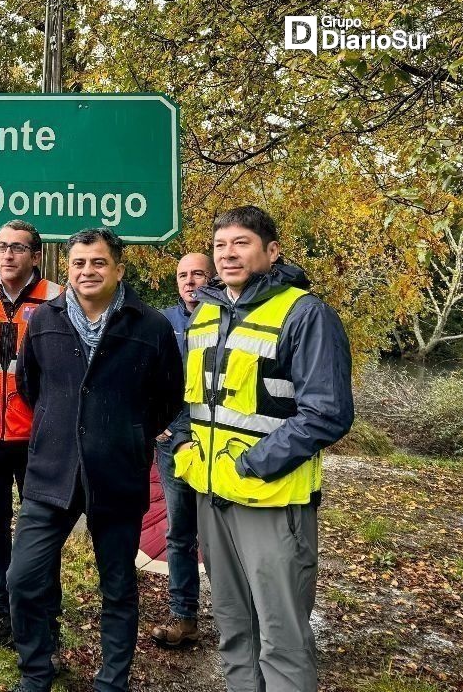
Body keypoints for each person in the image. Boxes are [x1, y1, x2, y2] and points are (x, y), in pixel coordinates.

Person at [171, 205, 353, 691]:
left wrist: (253, 464)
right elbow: (190, 398)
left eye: (241, 243)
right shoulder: (205, 312)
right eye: (220, 245)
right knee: (233, 633)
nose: (228, 254)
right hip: (212, 499)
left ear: (271, 251)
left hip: (272, 501)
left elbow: (327, 412)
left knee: (281, 640)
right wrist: (185, 446)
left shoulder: (305, 313)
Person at [7, 228, 183, 692]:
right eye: (79, 263)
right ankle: (36, 671)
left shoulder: (150, 326)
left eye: (98, 262)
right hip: (51, 473)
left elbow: (167, 397)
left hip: (117, 476)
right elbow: (30, 386)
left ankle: (112, 681)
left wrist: (128, 434)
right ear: (68, 268)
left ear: (118, 268)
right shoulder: (44, 319)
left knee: (118, 587)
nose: (88, 271)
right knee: (23, 578)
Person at [0, 221, 63, 648]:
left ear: (35, 256)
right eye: (1, 247)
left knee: (41, 535)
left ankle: (44, 623)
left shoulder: (58, 299)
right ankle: (0, 612)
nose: (7, 255)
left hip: (37, 440)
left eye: (18, 248)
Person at [150, 252, 214, 648]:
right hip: (172, 440)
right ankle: (184, 615)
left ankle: (238, 616)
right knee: (180, 532)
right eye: (183, 275)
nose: (190, 281)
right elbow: (141, 373)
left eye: (198, 274)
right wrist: (151, 421)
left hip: (221, 442)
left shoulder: (230, 318)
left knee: (226, 535)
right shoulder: (160, 322)